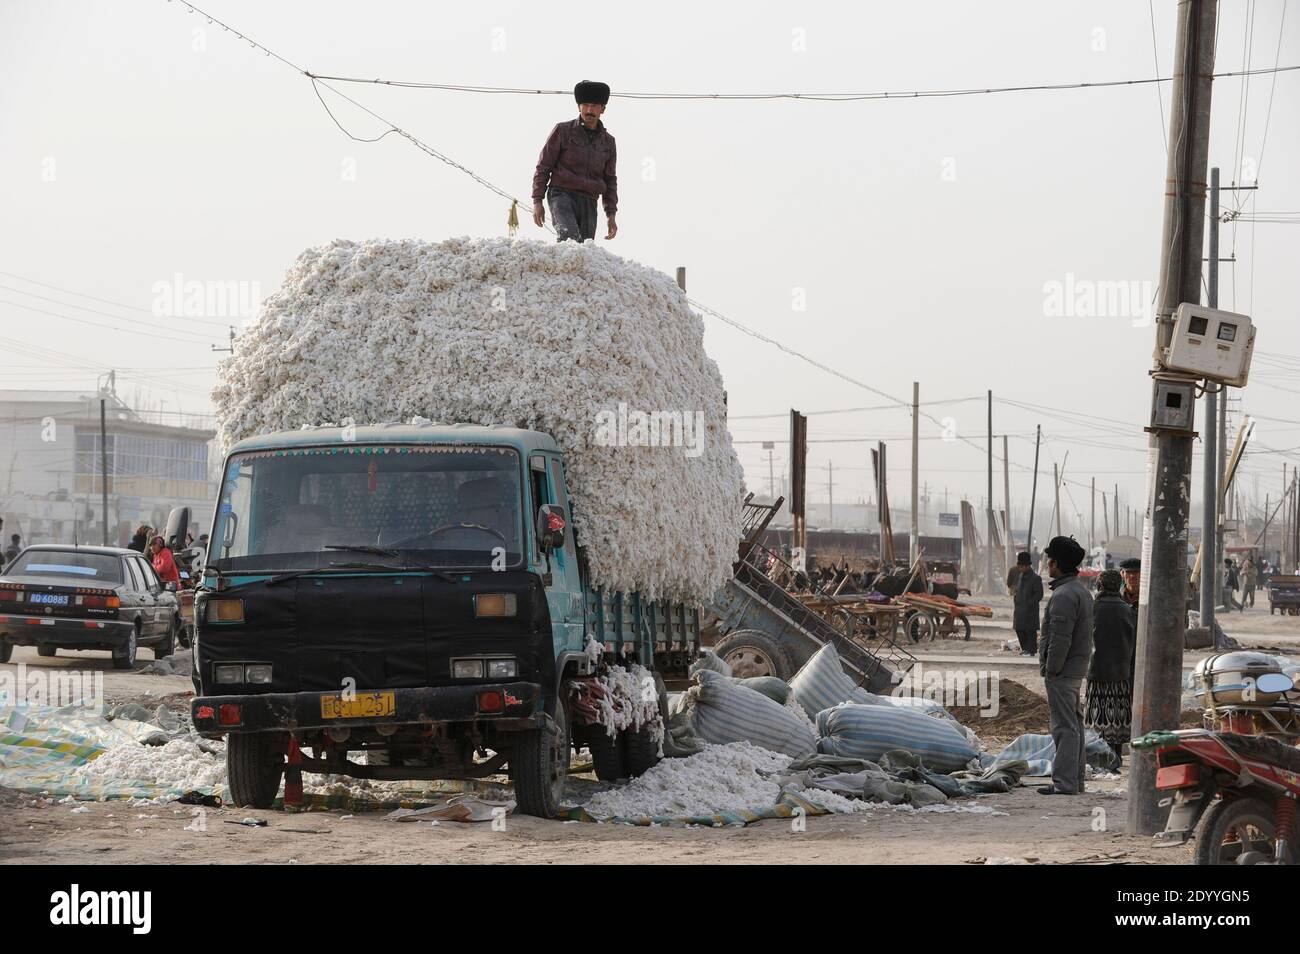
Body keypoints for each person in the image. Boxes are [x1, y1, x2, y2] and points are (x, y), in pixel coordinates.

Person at [1038, 535, 1094, 796]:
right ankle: (1075, 780)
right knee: (1074, 725)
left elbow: (1060, 639)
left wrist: (1051, 669)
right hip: (1075, 669)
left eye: (1051, 560)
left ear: (1057, 564)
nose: (1048, 565)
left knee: (1064, 727)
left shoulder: (1064, 595)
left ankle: (1065, 783)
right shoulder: (1079, 590)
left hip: (1063, 670)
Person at [532, 80, 618, 243]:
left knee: (585, 250)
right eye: (585, 105)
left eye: (594, 106)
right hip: (562, 194)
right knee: (569, 238)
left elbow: (610, 180)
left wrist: (611, 215)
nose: (589, 110)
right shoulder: (563, 131)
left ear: (603, 109)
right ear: (579, 106)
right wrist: (538, 200)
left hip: (589, 201)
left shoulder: (608, 142)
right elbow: (544, 166)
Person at [1084, 570, 1136, 767]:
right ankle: (1116, 759)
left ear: (1100, 586)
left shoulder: (1093, 607)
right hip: (1120, 673)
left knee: (1098, 718)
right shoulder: (1127, 609)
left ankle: (1099, 759)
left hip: (1097, 672)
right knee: (1116, 719)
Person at [1008, 551, 1044, 656]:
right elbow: (1017, 590)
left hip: (1030, 609)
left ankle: (1031, 650)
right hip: (1019, 608)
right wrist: (1016, 599)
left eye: (1022, 566)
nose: (1020, 569)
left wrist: (1030, 603)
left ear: (1028, 566)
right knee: (1019, 629)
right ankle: (1025, 648)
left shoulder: (1036, 578)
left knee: (1030, 630)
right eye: (1019, 566)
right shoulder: (1020, 576)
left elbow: (1039, 595)